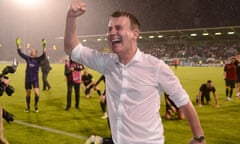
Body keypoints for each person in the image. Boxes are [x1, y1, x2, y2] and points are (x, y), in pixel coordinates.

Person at [64, 1, 205, 143]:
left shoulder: (155, 67)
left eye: (118, 28)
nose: (112, 33)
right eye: (109, 29)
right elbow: (72, 49)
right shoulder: (107, 63)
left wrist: (198, 138)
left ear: (135, 34)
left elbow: (183, 100)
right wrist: (71, 17)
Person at [16, 37, 46, 113]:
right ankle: (28, 107)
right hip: (28, 79)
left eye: (33, 51)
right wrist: (18, 45)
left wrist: (44, 45)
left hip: (35, 79)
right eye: (31, 51)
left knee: (36, 93)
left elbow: (44, 54)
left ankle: (36, 106)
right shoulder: (28, 58)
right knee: (28, 93)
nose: (31, 52)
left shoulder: (38, 59)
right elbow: (20, 53)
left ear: (36, 53)